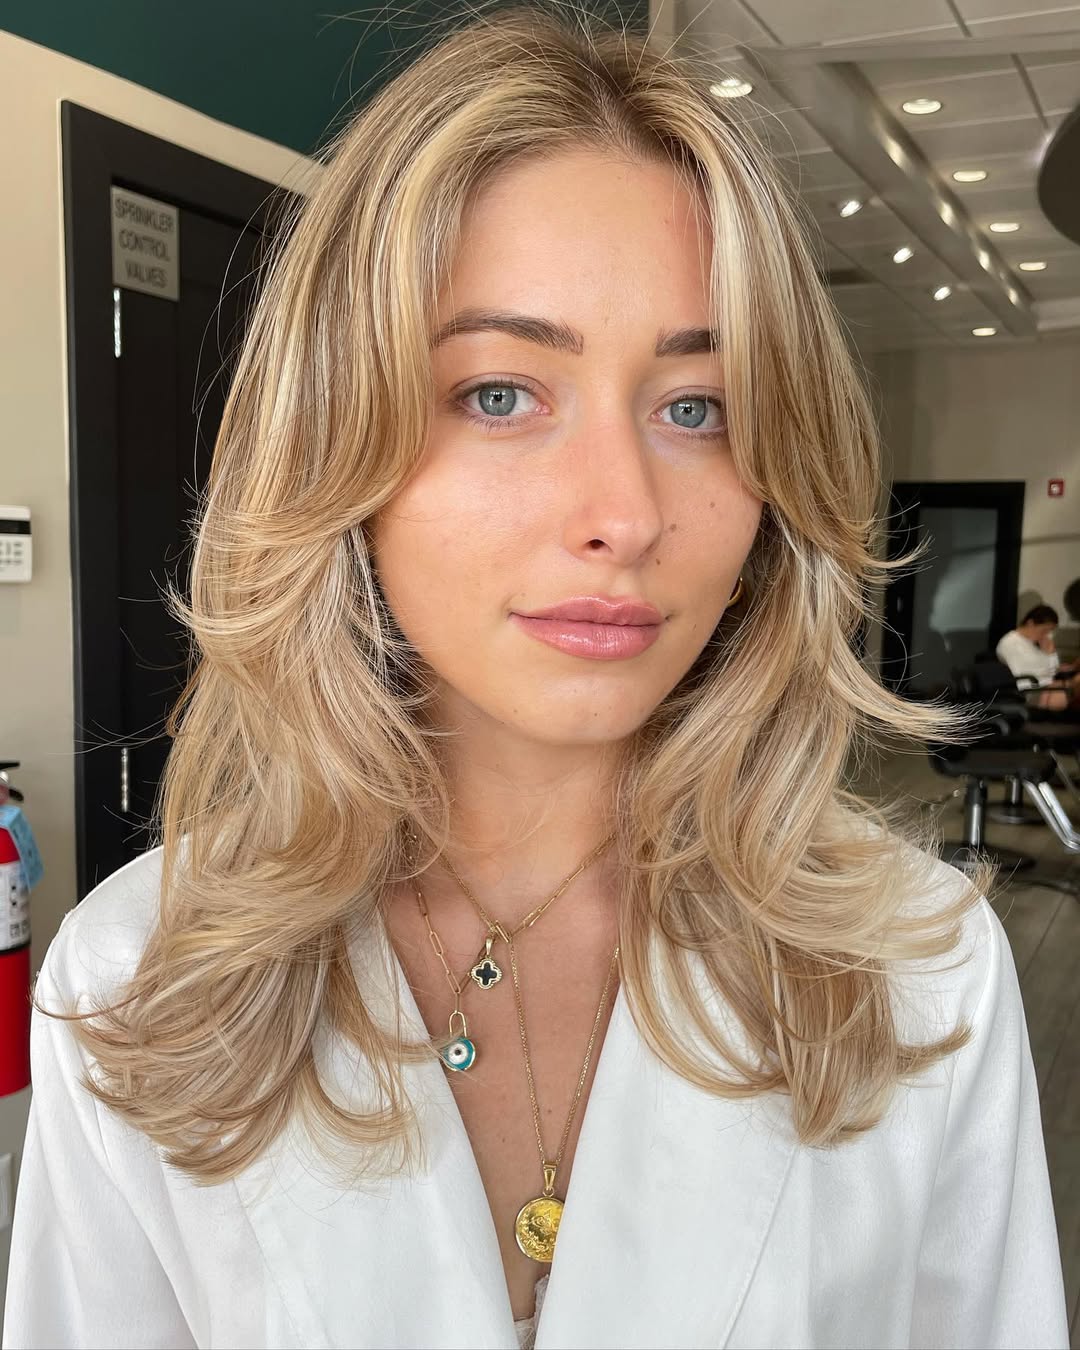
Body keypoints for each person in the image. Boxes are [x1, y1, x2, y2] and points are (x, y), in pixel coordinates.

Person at [3, 6, 1068, 1348]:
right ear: (345, 441)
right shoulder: (135, 982)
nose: (621, 510)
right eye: (502, 393)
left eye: (698, 408)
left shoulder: (921, 973)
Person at [996, 603, 1080, 711]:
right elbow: (1024, 674)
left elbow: (1051, 670)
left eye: (1049, 632)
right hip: (1029, 690)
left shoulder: (1033, 643)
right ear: (1030, 623)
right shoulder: (1010, 643)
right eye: (1044, 631)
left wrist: (1050, 653)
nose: (1046, 636)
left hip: (1044, 685)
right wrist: (1052, 677)